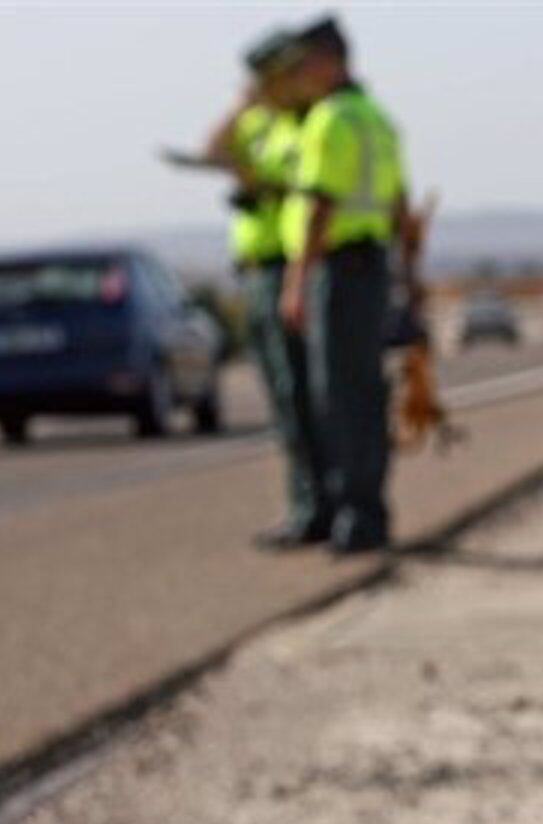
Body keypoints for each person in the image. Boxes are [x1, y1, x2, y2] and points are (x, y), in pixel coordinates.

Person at [278, 16, 419, 554]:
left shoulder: (331, 120)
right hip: (372, 267)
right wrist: (407, 275)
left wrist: (296, 282)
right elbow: (401, 206)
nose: (300, 77)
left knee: (336, 396)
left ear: (329, 61)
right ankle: (368, 510)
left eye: (304, 65)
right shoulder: (376, 119)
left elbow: (319, 205)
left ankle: (353, 515)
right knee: (363, 392)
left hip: (337, 270)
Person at [205, 29, 333, 550]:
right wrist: (242, 105)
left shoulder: (299, 125)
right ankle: (307, 504)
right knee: (285, 400)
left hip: (287, 266)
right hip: (256, 268)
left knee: (301, 395)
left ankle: (317, 507)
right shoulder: (259, 122)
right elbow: (213, 149)